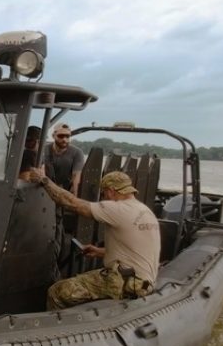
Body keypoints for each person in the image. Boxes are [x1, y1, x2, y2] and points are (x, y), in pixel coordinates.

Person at [33, 170, 161, 310]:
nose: (104, 197)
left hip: (127, 284)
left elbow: (71, 202)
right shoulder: (146, 211)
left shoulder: (118, 208)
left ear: (111, 191)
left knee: (57, 291)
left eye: (104, 193)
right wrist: (100, 251)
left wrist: (44, 180)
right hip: (144, 283)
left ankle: (58, 330)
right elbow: (135, 250)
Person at [46, 123, 84, 195]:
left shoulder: (77, 153)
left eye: (67, 136)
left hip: (64, 191)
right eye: (61, 136)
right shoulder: (44, 150)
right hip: (44, 189)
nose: (64, 139)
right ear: (53, 136)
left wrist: (74, 197)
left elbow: (76, 177)